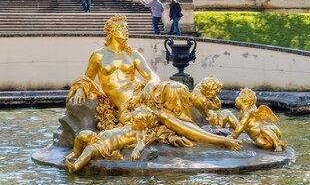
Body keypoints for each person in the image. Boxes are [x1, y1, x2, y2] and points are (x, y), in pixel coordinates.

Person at [67, 15, 242, 151]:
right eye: (121, 27)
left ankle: (191, 125)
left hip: (145, 92)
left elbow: (153, 77)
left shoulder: (133, 54)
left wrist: (150, 85)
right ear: (111, 31)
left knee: (177, 87)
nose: (126, 30)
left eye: (126, 27)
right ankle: (217, 140)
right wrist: (82, 87)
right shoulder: (99, 55)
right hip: (129, 104)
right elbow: (87, 77)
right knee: (166, 117)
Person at [65, 106, 156, 173]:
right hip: (97, 137)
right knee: (82, 134)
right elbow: (122, 117)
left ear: (143, 124)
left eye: (136, 120)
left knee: (89, 150)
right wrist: (134, 113)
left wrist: (137, 151)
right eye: (133, 117)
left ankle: (74, 167)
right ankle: (76, 153)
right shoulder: (129, 123)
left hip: (103, 147)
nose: (133, 120)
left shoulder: (139, 133)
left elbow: (141, 143)